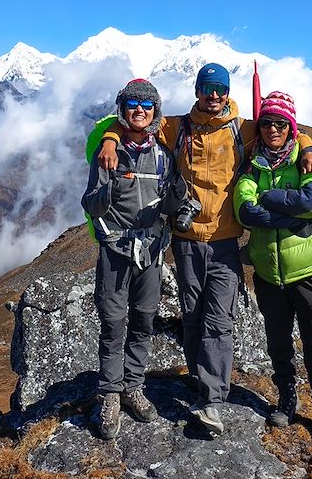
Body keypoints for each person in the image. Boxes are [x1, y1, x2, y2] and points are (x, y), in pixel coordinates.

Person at [97, 64, 312, 434]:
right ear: (198, 90)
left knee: (219, 320)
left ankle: (212, 402)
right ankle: (202, 380)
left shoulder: (243, 128)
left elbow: (282, 128)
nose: (214, 95)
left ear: (227, 91)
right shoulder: (176, 126)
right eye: (207, 88)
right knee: (193, 316)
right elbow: (133, 122)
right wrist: (109, 138)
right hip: (186, 242)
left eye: (220, 88)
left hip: (224, 242)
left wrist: (309, 146)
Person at [233, 91, 312, 444]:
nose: (273, 129)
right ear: (259, 127)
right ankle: (287, 397)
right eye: (267, 123)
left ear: (292, 127)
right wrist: (286, 215)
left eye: (281, 123)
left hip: (311, 270)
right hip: (268, 273)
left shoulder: (310, 160)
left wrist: (268, 199)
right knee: (278, 342)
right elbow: (244, 211)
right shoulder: (252, 165)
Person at [82, 78, 185, 439]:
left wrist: (177, 200)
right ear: (122, 109)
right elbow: (89, 203)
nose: (139, 110)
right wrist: (107, 187)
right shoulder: (107, 153)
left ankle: (133, 386)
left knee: (143, 320)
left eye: (146, 104)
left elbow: (171, 204)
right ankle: (109, 394)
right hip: (115, 250)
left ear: (155, 111)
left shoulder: (163, 156)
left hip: (152, 252)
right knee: (112, 323)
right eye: (132, 104)